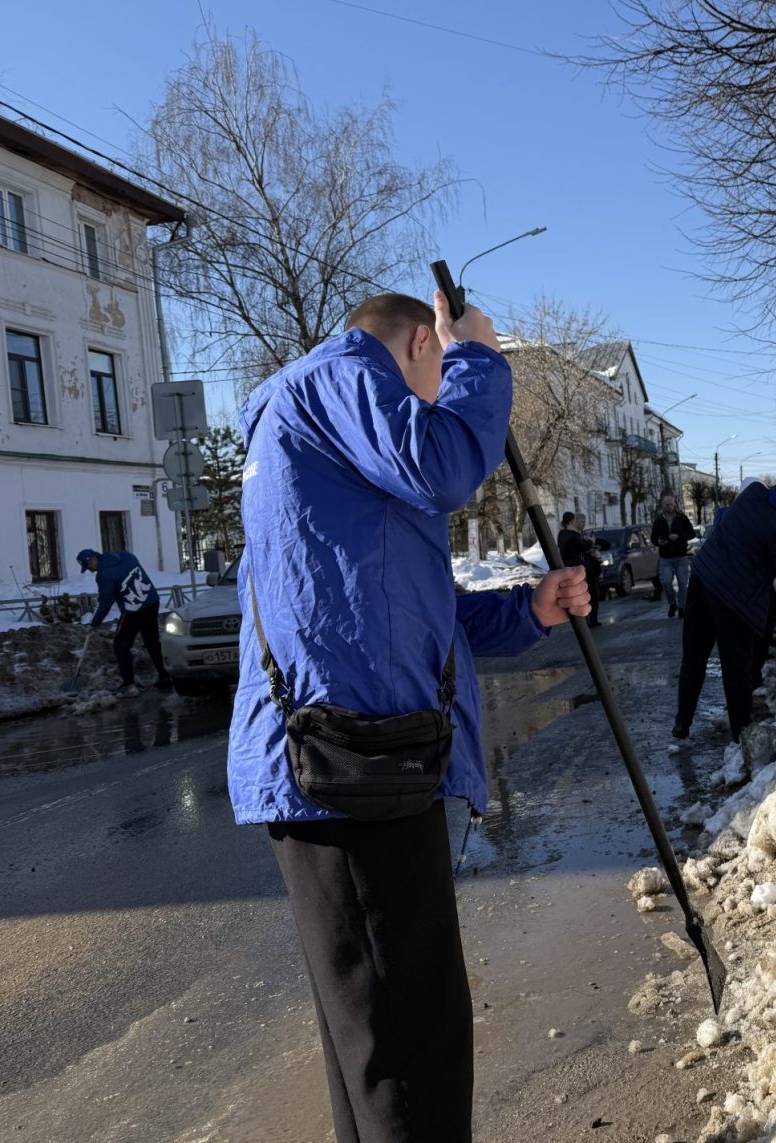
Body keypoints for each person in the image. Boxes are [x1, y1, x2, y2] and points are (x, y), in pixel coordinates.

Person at [228, 290, 590, 1143]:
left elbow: (409, 605)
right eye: (433, 376)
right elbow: (442, 463)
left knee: (375, 1053)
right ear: (419, 341)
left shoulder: (323, 431)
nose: (428, 401)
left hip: (355, 763)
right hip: (353, 771)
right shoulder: (340, 379)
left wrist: (530, 611)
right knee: (407, 1058)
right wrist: (481, 356)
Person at [673, 474, 776, 745]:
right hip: (733, 600)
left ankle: (682, 723)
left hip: (702, 580)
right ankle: (742, 733)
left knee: (694, 659)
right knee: (736, 667)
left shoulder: (752, 493)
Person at [77, 547, 172, 694]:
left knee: (121, 645)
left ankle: (129, 685)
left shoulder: (104, 575)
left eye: (88, 566)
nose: (90, 570)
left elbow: (105, 602)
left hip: (134, 610)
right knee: (152, 641)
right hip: (151, 602)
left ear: (92, 559)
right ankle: (165, 677)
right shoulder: (123, 555)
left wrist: (94, 623)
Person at [650, 493, 696, 618]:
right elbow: (653, 538)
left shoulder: (682, 518)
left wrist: (679, 537)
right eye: (667, 505)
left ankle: (682, 607)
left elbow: (692, 534)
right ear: (663, 506)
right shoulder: (659, 521)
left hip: (680, 556)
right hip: (666, 557)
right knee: (666, 582)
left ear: (675, 504)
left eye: (671, 504)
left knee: (682, 583)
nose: (670, 507)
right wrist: (659, 541)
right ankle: (672, 603)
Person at [558, 512, 605, 627]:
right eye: (578, 520)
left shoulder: (563, 534)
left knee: (588, 594)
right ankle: (586, 622)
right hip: (576, 569)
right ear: (572, 521)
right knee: (584, 595)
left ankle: (589, 620)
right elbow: (582, 547)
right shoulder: (570, 535)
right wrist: (590, 542)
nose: (580, 523)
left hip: (577, 568)